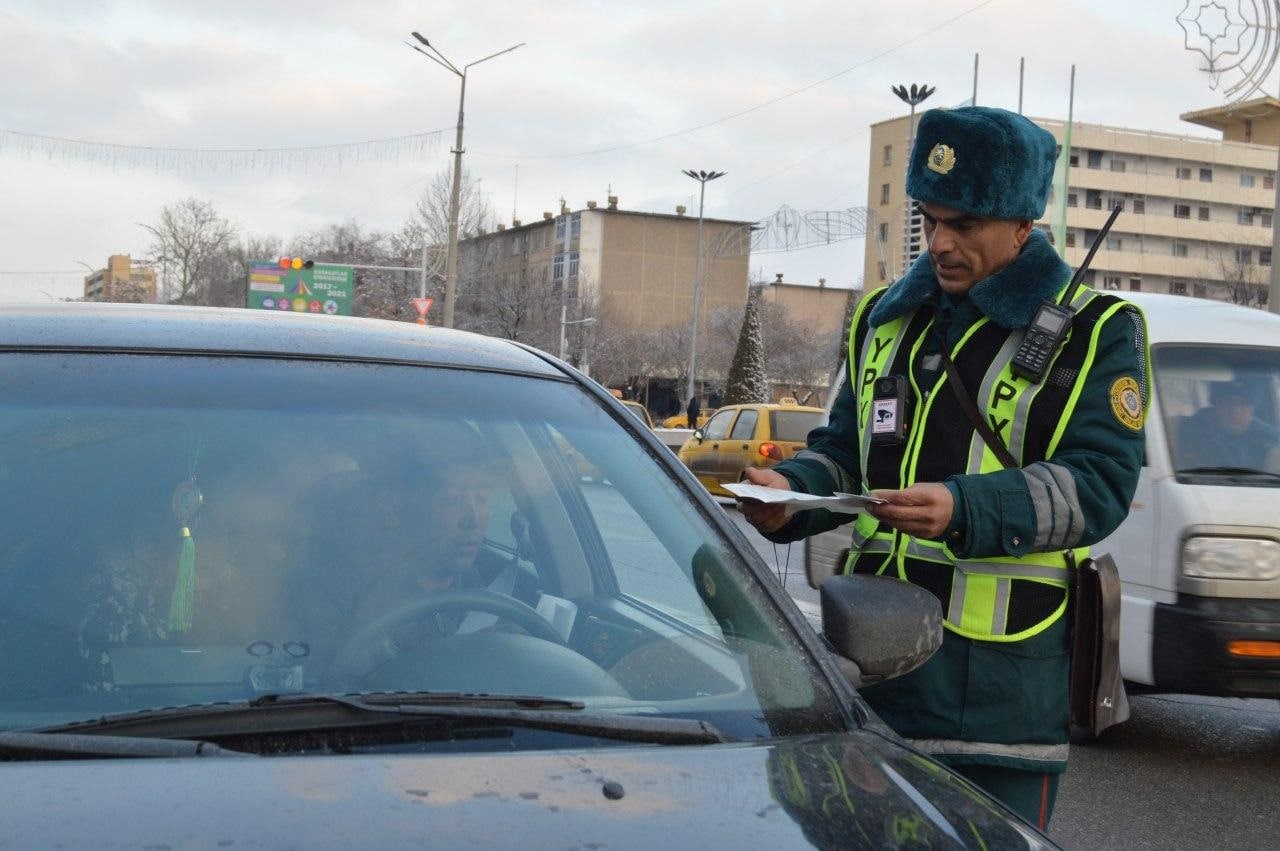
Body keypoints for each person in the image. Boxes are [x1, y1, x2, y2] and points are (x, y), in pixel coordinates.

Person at [740, 106, 1151, 830]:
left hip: (997, 700)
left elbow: (1101, 484)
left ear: (1024, 223)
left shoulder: (1097, 332)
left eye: (965, 224)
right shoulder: (884, 318)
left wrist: (964, 507)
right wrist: (793, 490)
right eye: (930, 221)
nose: (941, 243)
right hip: (869, 683)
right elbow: (844, 449)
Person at [1176, 381, 1280, 471]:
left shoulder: (1268, 438)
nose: (1236, 411)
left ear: (1252, 410)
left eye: (1244, 404)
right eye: (1229, 402)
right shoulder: (1187, 432)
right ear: (1216, 406)